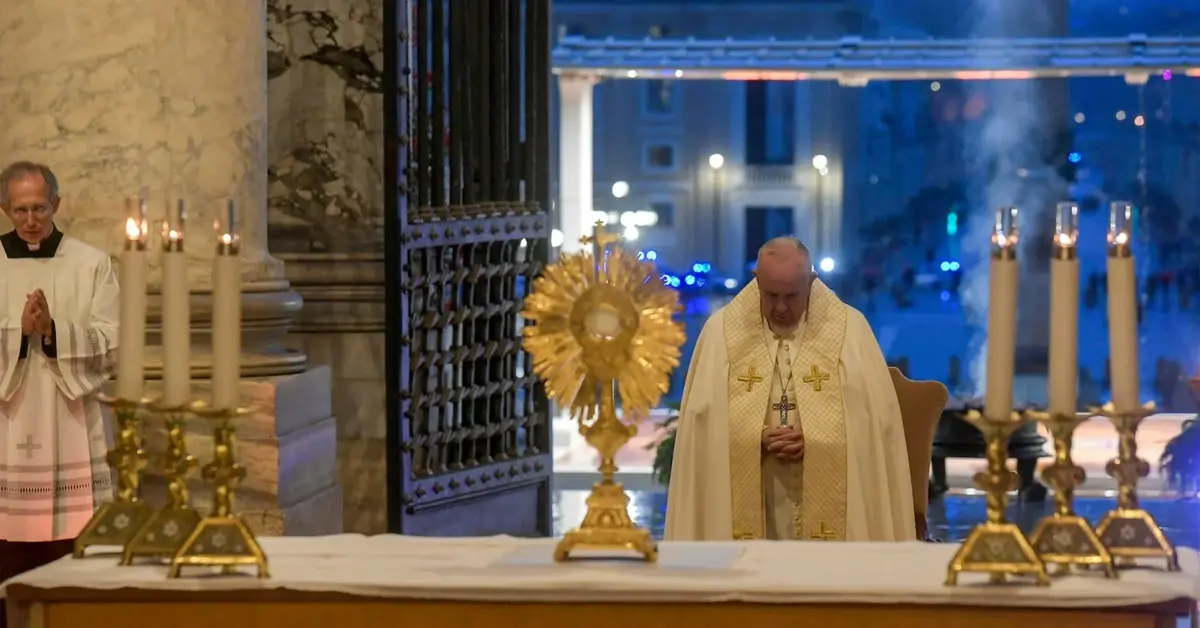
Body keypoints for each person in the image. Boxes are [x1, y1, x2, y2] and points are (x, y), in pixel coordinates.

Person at [665, 236, 921, 542]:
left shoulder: (851, 330)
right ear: (756, 280)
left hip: (829, 497)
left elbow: (876, 427)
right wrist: (750, 436)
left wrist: (817, 436)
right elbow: (700, 424)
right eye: (771, 295)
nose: (781, 308)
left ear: (812, 282)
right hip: (755, 493)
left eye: (792, 295)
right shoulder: (720, 334)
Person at [0, 162, 118, 623]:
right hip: (10, 424)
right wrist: (16, 334)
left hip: (70, 419)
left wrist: (53, 332)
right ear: (5, 208)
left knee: (72, 554)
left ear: (57, 204)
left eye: (41, 208)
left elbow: (111, 342)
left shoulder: (91, 264)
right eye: (21, 209)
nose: (31, 220)